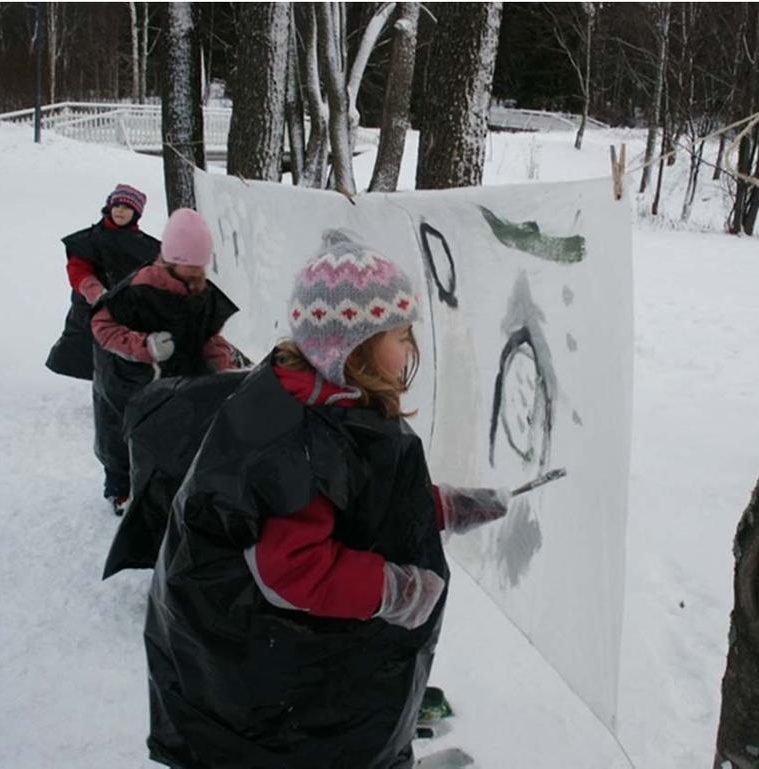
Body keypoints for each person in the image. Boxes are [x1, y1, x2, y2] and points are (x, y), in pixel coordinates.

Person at [144, 230, 512, 769]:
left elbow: (359, 498)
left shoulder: (323, 397)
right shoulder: (298, 441)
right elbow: (291, 567)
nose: (412, 349)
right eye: (402, 336)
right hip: (253, 659)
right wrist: (394, 589)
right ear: (353, 346)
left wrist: (442, 507)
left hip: (272, 645)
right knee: (310, 741)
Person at [91, 208, 240, 515]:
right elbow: (102, 327)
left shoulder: (201, 291)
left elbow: (210, 335)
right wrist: (144, 346)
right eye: (189, 267)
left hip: (179, 376)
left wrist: (223, 368)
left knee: (178, 436)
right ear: (171, 261)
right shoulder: (138, 290)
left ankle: (170, 491)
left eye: (201, 267)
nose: (196, 274)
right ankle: (120, 488)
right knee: (125, 435)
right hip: (131, 377)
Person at [46, 183, 160, 380]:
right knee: (92, 357)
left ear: (136, 213)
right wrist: (93, 290)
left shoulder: (147, 246)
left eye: (126, 208)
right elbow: (78, 269)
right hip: (92, 310)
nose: (120, 211)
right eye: (116, 206)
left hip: (129, 312)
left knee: (126, 358)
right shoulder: (89, 240)